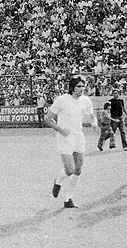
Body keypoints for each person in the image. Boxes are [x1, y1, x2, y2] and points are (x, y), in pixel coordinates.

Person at [45, 75, 98, 208]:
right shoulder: (62, 100)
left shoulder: (86, 101)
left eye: (83, 86)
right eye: (79, 86)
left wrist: (94, 124)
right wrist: (60, 129)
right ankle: (58, 181)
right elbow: (48, 118)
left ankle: (68, 199)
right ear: (72, 87)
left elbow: (91, 116)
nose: (81, 89)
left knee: (78, 170)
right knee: (70, 169)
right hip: (65, 137)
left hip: (78, 136)